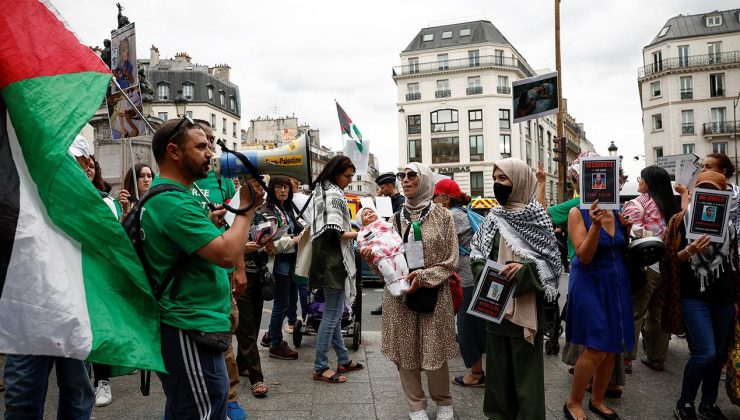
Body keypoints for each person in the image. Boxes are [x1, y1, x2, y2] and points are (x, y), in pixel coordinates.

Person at [141, 116, 262, 418]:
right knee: (206, 405)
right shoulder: (173, 202)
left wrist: (208, 224)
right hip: (189, 324)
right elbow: (226, 253)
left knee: (189, 406)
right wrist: (246, 207)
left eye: (210, 146)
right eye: (201, 146)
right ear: (173, 151)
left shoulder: (172, 198)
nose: (211, 153)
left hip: (192, 322)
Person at [2, 136, 96, 419]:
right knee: (21, 399)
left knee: (77, 397)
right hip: (28, 316)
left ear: (85, 165)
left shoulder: (93, 208)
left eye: (70, 161)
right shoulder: (22, 200)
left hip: (75, 314)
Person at [364, 163, 458, 420]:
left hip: (434, 294)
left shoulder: (443, 216)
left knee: (434, 349)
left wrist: (424, 277)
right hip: (400, 297)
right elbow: (385, 264)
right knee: (406, 352)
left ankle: (444, 402)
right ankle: (416, 406)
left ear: (425, 179)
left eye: (411, 175)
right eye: (401, 176)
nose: (404, 180)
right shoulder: (392, 220)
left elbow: (451, 260)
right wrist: (372, 259)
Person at [470, 158, 562, 420]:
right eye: (495, 179)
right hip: (494, 306)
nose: (497, 184)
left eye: (503, 179)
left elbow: (552, 265)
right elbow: (477, 255)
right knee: (498, 379)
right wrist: (488, 274)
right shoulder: (492, 218)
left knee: (526, 380)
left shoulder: (538, 217)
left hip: (525, 310)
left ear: (519, 181)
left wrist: (524, 272)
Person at [661, 171, 739, 420]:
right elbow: (668, 260)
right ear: (695, 191)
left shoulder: (729, 225)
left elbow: (733, 262)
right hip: (693, 295)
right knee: (704, 352)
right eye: (704, 188)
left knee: (718, 355)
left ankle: (708, 403)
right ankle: (684, 403)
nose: (710, 193)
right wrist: (689, 250)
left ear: (724, 194)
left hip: (724, 296)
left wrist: (737, 299)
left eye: (715, 189)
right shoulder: (681, 220)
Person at [194, 119, 248, 419]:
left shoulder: (222, 180)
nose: (211, 148)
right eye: (203, 142)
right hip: (192, 274)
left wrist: (238, 268)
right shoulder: (178, 182)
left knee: (224, 334)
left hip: (221, 272)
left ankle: (229, 397)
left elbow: (234, 228)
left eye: (212, 140)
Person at [565, 194, 634, 420]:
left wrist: (628, 229)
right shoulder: (577, 213)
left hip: (615, 280)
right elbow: (584, 255)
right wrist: (595, 226)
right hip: (588, 281)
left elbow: (619, 247)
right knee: (596, 348)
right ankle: (573, 402)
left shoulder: (618, 212)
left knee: (613, 346)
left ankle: (597, 400)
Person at [309, 156, 363, 384]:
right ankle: (320, 367)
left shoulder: (323, 190)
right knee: (332, 316)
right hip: (334, 261)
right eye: (347, 176)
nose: (349, 181)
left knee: (334, 312)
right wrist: (363, 233)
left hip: (327, 260)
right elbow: (335, 232)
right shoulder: (332, 194)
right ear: (335, 173)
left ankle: (342, 359)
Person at [623, 166, 679, 374]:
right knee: (658, 313)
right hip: (668, 267)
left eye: (641, 178)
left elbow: (632, 234)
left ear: (646, 182)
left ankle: (626, 359)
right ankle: (657, 357)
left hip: (645, 266)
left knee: (636, 312)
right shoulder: (671, 206)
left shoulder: (637, 204)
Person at [431, 179, 485, 388]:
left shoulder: (452, 216)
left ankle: (476, 373)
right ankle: (479, 369)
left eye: (435, 196)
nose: (433, 200)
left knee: (467, 328)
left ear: (445, 198)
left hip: (465, 279)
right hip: (471, 276)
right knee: (475, 325)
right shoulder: (463, 212)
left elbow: (436, 245)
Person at [235, 178, 270, 398]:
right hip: (242, 276)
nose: (261, 190)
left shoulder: (260, 215)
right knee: (247, 329)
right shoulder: (235, 213)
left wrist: (269, 244)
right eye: (257, 186)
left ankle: (242, 365)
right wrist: (242, 249)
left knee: (254, 325)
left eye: (261, 186)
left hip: (258, 275)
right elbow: (226, 243)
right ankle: (257, 378)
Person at [263, 176, 303, 360]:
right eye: (279, 187)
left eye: (286, 187)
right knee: (281, 303)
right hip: (280, 263)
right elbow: (270, 242)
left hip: (290, 261)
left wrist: (301, 232)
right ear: (271, 189)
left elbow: (297, 227)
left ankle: (271, 334)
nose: (283, 190)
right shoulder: (268, 210)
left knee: (286, 301)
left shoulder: (286, 208)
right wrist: (293, 240)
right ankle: (276, 343)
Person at [371, 172, 406, 315]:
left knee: (398, 273)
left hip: (396, 242)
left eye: (383, 188)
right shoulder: (386, 200)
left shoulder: (400, 201)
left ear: (391, 186)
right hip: (386, 241)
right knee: (388, 274)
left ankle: (398, 301)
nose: (381, 191)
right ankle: (387, 302)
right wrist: (378, 196)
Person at [356, 207, 410, 296]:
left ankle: (405, 285)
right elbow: (362, 244)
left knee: (403, 268)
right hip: (381, 256)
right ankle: (395, 290)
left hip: (395, 251)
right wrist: (364, 249)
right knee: (389, 273)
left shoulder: (384, 223)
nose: (369, 214)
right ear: (360, 222)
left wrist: (398, 243)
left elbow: (394, 232)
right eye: (365, 215)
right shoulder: (363, 232)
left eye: (371, 212)